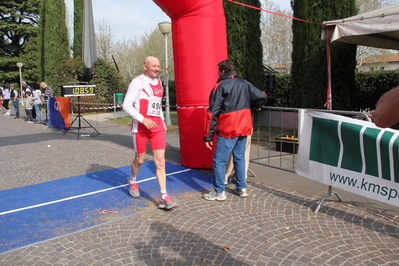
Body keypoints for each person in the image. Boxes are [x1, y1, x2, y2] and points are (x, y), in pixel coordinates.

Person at [203, 60, 267, 201]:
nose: (217, 73)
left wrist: (208, 136)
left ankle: (219, 192)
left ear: (222, 72)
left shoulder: (219, 86)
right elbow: (262, 95)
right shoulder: (245, 83)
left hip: (228, 128)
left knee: (219, 160)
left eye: (218, 71)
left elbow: (212, 113)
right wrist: (256, 105)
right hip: (244, 126)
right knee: (239, 157)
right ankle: (241, 187)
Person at [122, 56, 177, 210]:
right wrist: (142, 119)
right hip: (140, 127)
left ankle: (163, 196)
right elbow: (126, 105)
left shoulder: (159, 83)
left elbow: (157, 105)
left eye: (158, 66)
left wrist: (161, 119)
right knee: (139, 160)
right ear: (145, 66)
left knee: (160, 161)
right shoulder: (138, 81)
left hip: (156, 127)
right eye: (153, 66)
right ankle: (132, 179)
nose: (157, 69)